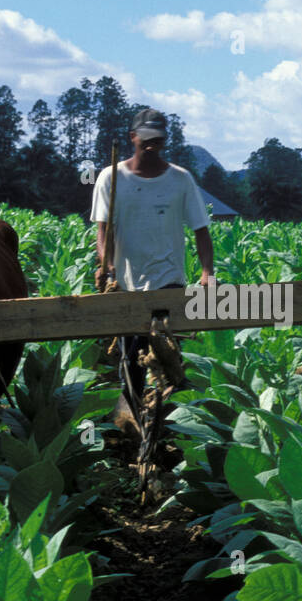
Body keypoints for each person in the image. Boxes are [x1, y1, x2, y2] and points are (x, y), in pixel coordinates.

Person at [90, 108, 215, 404]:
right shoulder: (111, 178)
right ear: (133, 137)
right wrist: (107, 265)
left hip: (169, 281)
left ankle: (170, 419)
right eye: (145, 136)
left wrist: (207, 272)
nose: (151, 142)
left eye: (157, 137)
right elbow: (103, 230)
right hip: (127, 283)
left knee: (168, 354)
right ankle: (132, 414)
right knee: (132, 359)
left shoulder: (181, 180)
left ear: (163, 140)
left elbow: (201, 230)